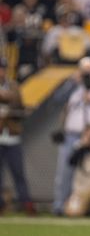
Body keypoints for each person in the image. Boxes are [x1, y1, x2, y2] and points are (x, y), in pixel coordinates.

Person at [51, 56, 90, 216]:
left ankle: (88, 207)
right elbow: (57, 100)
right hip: (71, 135)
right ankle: (60, 206)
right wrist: (73, 82)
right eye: (84, 70)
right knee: (65, 172)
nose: (87, 74)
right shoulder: (72, 86)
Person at [0, 58, 36, 215]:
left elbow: (18, 104)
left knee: (18, 172)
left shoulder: (13, 86)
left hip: (12, 136)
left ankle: (26, 203)